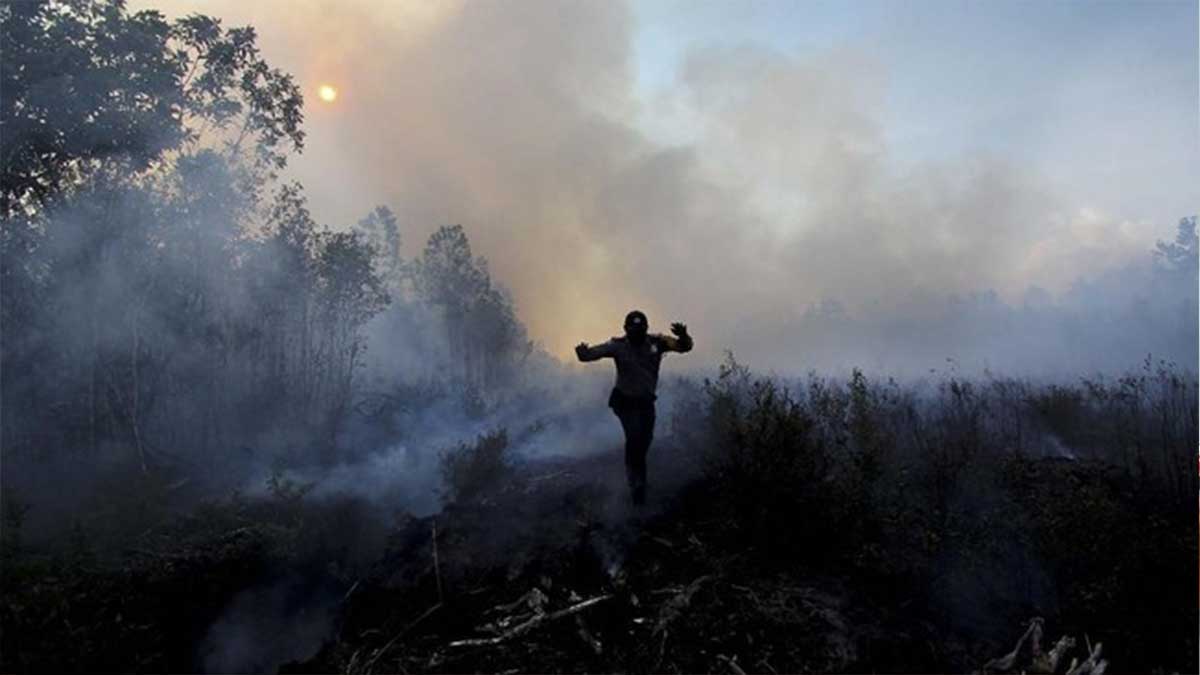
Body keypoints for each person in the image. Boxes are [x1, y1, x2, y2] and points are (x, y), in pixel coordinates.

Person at [575, 310, 693, 506]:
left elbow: (683, 347)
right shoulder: (618, 346)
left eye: (640, 328)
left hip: (646, 402)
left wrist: (683, 335)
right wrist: (583, 353)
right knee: (634, 437)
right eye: (632, 328)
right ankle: (636, 486)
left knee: (644, 441)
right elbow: (592, 353)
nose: (636, 332)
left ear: (646, 329)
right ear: (625, 329)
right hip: (624, 401)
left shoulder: (657, 342)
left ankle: (637, 478)